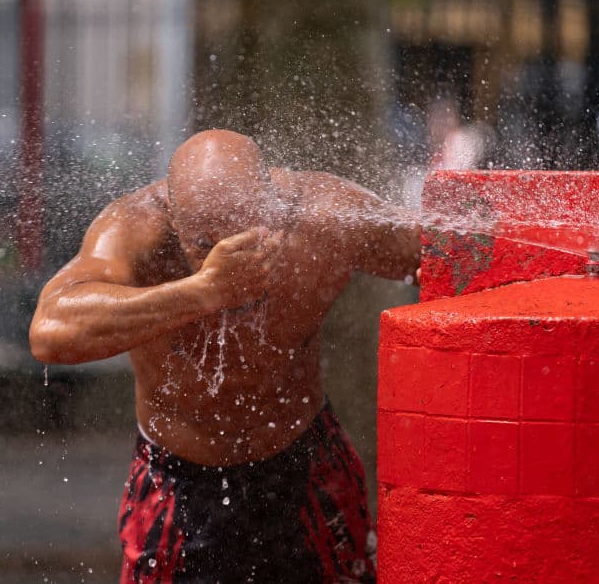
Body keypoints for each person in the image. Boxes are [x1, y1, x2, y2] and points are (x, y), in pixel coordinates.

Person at [30, 129, 421, 583]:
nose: (227, 256)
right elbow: (50, 332)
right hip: (177, 481)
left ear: (271, 206)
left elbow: (442, 254)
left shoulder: (321, 218)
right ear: (173, 217)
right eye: (203, 244)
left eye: (244, 232)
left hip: (306, 460)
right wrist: (202, 291)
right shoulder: (134, 229)